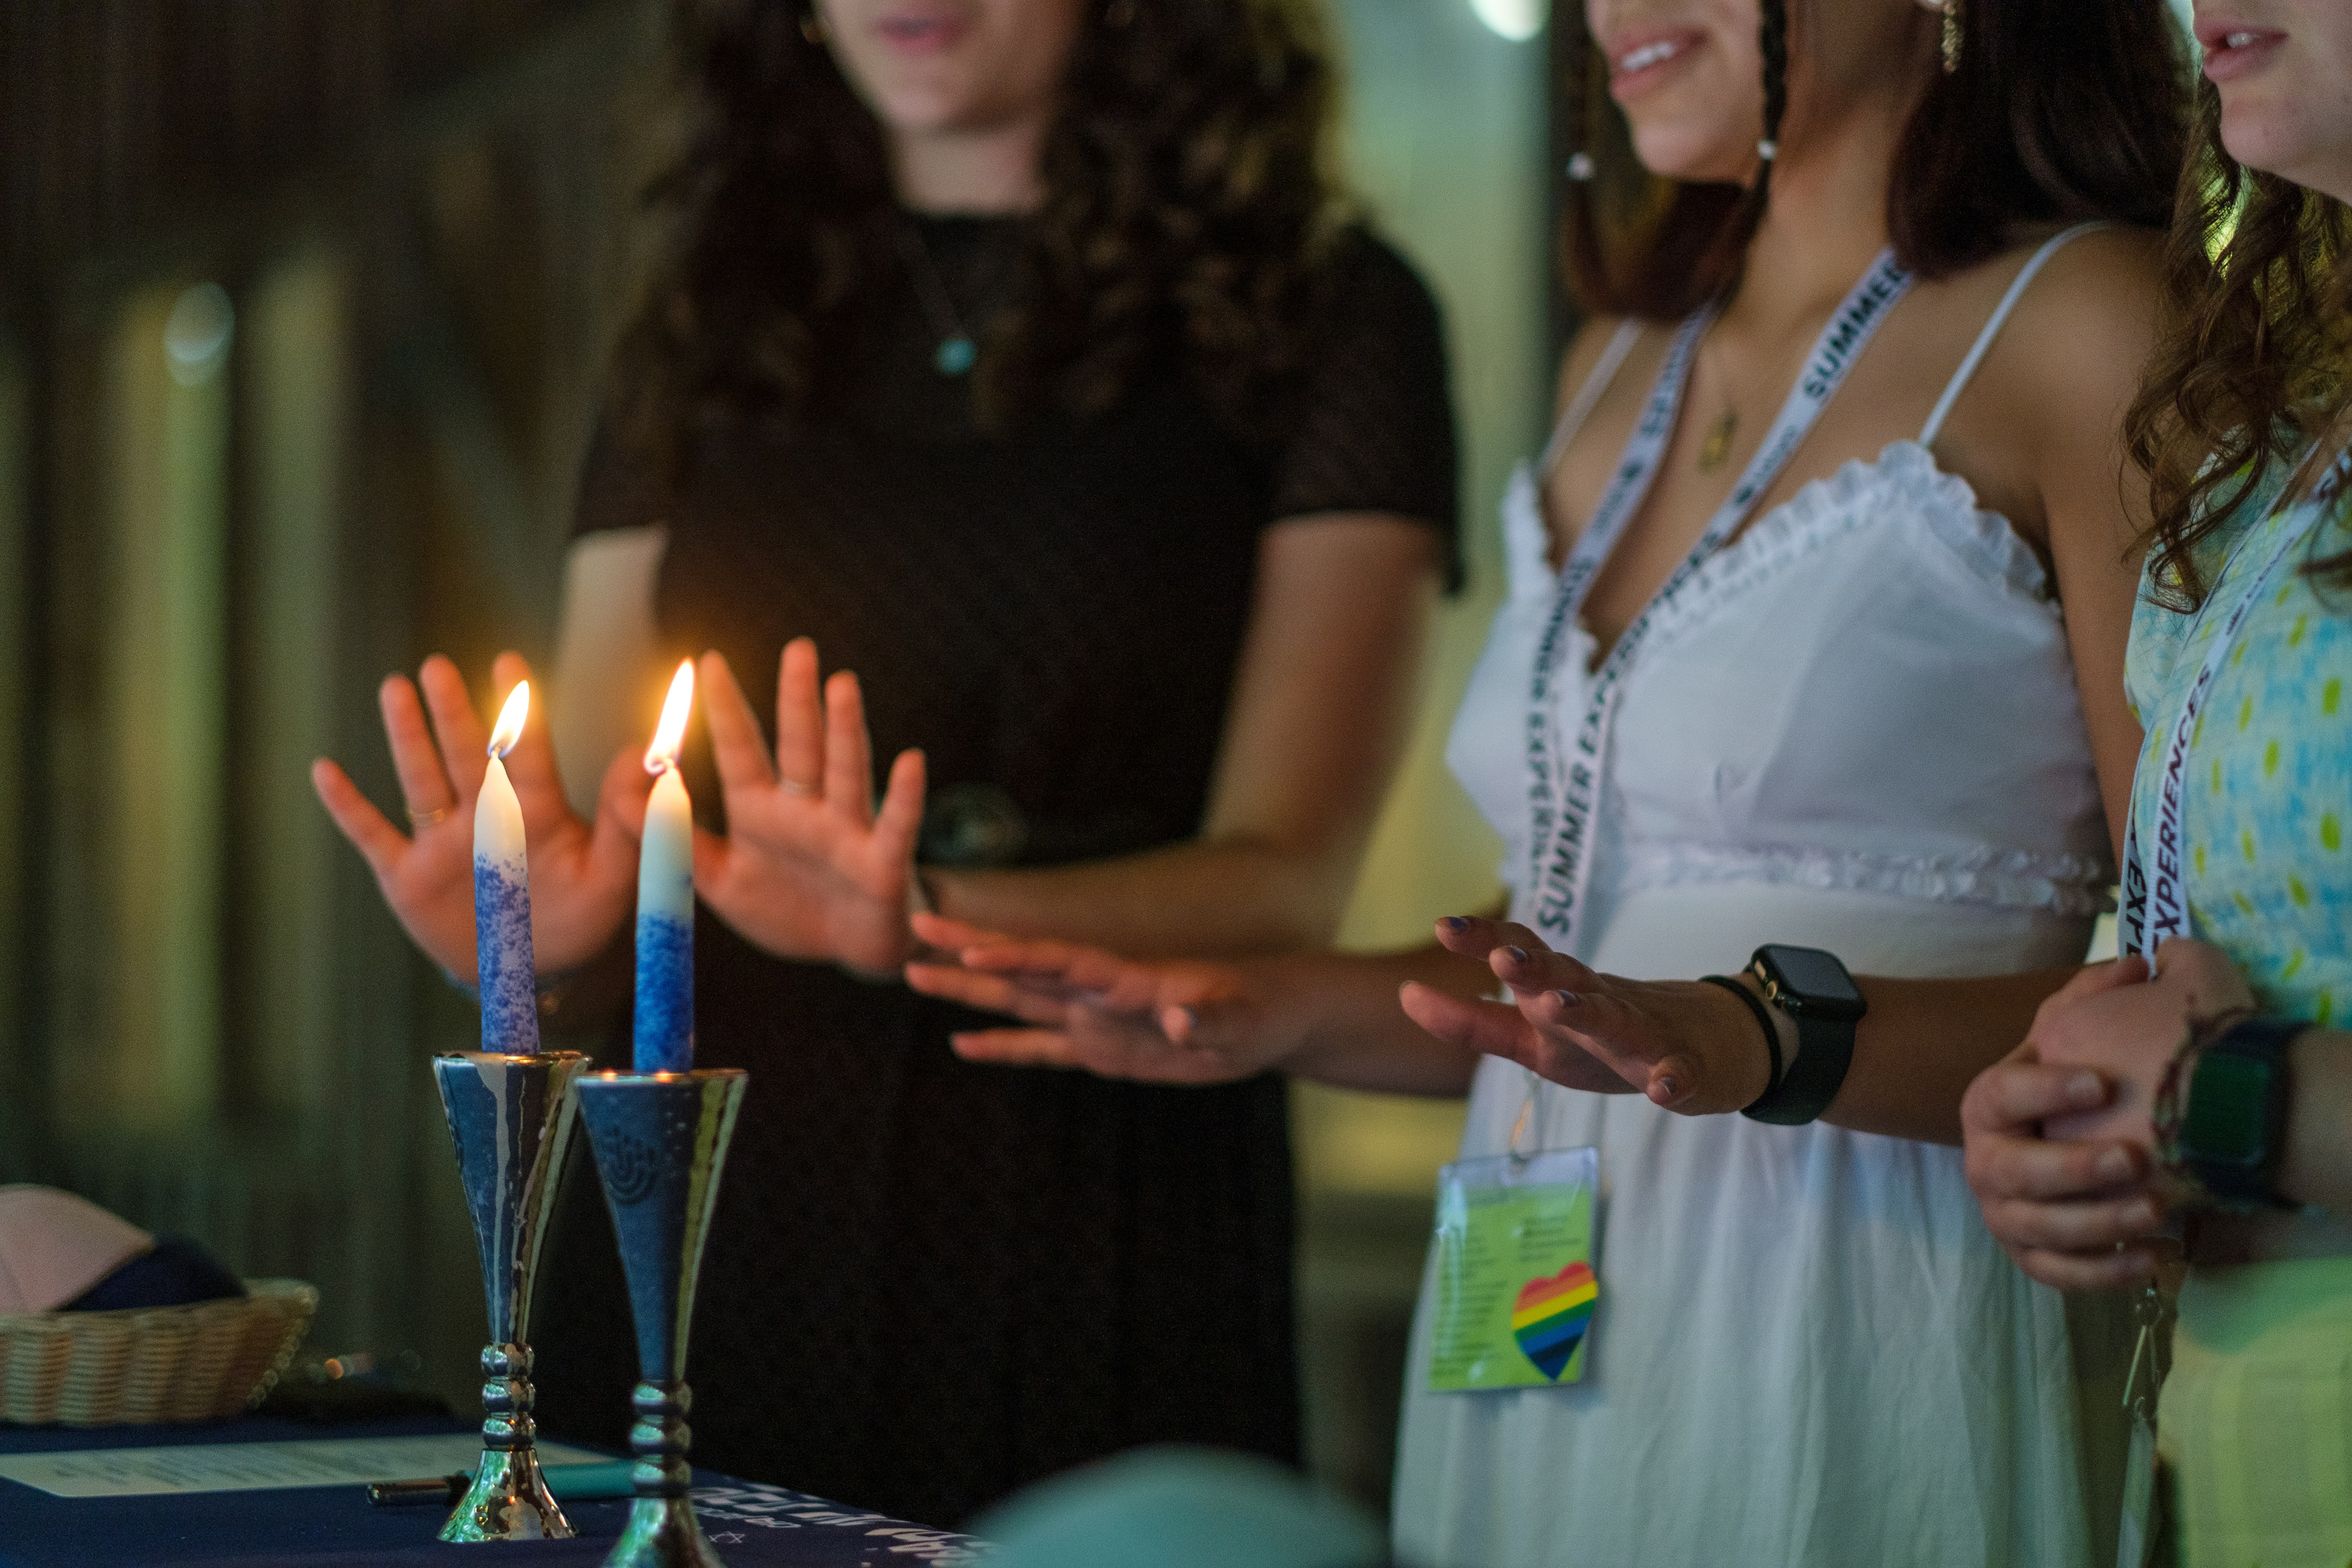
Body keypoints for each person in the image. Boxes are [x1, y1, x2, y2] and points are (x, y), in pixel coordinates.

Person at [903, 0, 2190, 1561]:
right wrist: (1262, 1006)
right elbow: (1573, 964)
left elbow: (2180, 982)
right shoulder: (1618, 363)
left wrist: (1744, 1032)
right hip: (1548, 1290)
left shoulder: (2082, 321)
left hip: (1859, 1280)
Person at [311, 0, 1459, 1528]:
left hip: (1095, 1177)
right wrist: (540, 922)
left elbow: (1285, 875)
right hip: (718, 1184)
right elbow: (606, 808)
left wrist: (923, 914)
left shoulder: (1324, 311)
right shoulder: (708, 313)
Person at [1959, 5, 2352, 1559]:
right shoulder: (2271, 439)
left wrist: (2227, 1103)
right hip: (2231, 1427)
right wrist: (2057, 1094)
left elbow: (2222, 1071)